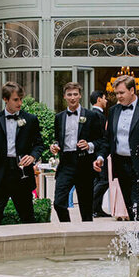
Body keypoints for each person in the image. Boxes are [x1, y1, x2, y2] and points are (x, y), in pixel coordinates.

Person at [94, 75, 139, 221]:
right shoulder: (113, 110)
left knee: (138, 204)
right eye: (116, 93)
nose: (118, 96)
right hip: (120, 164)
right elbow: (108, 140)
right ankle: (135, 232)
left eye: (121, 93)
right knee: (129, 205)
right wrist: (100, 157)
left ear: (132, 90)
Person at [0, 82, 43, 225]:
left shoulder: (31, 120)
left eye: (21, 99)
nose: (20, 103)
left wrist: (33, 156)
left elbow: (39, 144)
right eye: (15, 100)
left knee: (28, 219)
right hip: (1, 174)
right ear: (5, 99)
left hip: (22, 174)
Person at [48, 81, 104, 222]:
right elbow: (58, 139)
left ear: (80, 96)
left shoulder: (91, 115)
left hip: (84, 163)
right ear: (64, 96)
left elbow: (101, 140)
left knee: (86, 208)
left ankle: (86, 233)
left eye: (75, 94)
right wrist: (55, 146)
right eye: (69, 95)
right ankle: (68, 228)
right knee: (58, 203)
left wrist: (89, 145)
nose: (72, 97)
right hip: (66, 163)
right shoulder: (59, 117)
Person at [88, 89, 111, 218]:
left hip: (94, 153)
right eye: (104, 98)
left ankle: (97, 208)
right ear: (99, 99)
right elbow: (102, 136)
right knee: (104, 180)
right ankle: (91, 206)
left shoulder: (92, 114)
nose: (106, 101)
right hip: (99, 153)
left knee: (98, 180)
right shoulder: (98, 115)